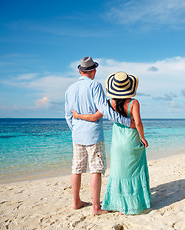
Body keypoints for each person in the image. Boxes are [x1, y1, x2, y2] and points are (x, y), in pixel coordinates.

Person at [72, 71, 151, 215]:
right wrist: (143, 137)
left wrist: (77, 116)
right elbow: (138, 122)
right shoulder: (134, 103)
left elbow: (94, 117)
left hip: (117, 142)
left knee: (118, 171)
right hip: (131, 139)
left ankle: (119, 204)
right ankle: (133, 204)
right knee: (133, 170)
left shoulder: (110, 103)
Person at [65, 57, 134, 215]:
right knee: (95, 169)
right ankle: (96, 207)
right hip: (93, 134)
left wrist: (75, 130)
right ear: (93, 71)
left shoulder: (70, 89)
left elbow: (68, 116)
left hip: (77, 135)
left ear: (79, 71)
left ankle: (76, 202)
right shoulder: (95, 86)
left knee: (76, 169)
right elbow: (105, 110)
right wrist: (125, 121)